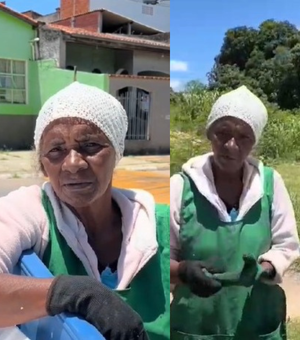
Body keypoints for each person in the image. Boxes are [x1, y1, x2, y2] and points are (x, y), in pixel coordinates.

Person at [0, 82, 170, 340]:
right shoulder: (29, 211)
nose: (72, 164)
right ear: (43, 165)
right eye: (56, 149)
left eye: (90, 145)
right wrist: (72, 293)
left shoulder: (157, 223)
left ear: (117, 152)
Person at [170, 85, 300, 339]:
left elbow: (287, 244)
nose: (231, 145)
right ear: (209, 133)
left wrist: (267, 267)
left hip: (257, 321)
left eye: (244, 137)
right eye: (222, 133)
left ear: (255, 142)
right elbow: (161, 254)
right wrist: (183, 271)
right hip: (196, 325)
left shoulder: (270, 184)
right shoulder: (181, 187)